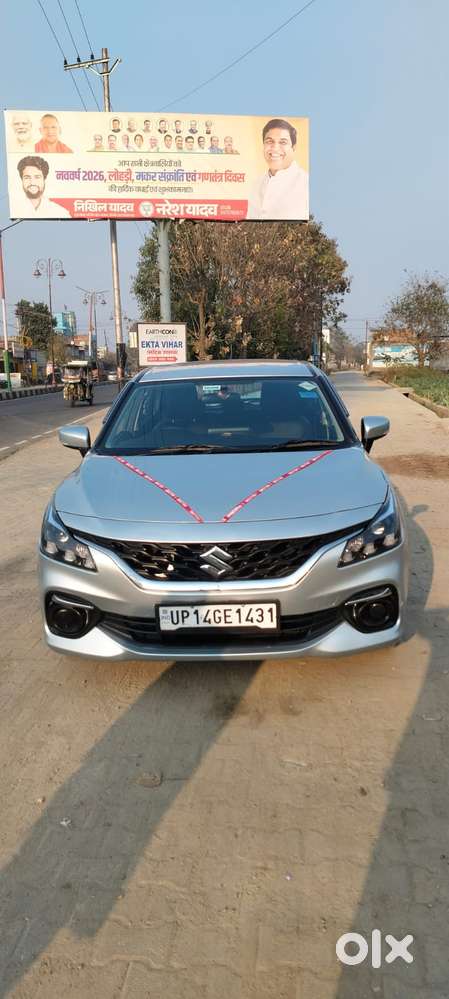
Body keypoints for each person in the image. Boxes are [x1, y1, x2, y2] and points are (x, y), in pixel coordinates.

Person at [247, 118, 308, 221]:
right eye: (269, 141)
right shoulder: (256, 184)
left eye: (283, 142)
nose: (275, 148)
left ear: (293, 147)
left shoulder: (306, 183)